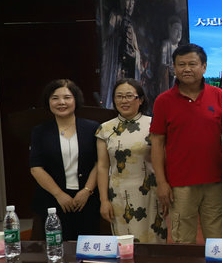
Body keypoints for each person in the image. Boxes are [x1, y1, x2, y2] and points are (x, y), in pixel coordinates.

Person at [150, 43, 222, 244]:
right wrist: (162, 182)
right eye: (181, 64)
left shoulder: (218, 95)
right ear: (174, 68)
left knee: (219, 241)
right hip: (179, 184)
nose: (186, 69)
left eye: (192, 64)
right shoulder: (163, 101)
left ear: (204, 67)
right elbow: (157, 143)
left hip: (215, 181)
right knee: (183, 242)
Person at [29, 79, 100, 240]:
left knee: (87, 247)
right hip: (52, 201)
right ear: (48, 102)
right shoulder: (40, 131)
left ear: (76, 100)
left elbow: (100, 163)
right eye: (55, 98)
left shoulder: (92, 128)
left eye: (67, 97)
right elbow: (36, 168)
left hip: (87, 200)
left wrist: (87, 190)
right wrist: (59, 194)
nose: (61, 102)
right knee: (56, 248)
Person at [95, 79, 165, 242]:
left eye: (129, 96)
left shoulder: (154, 124)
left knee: (153, 242)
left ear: (140, 100)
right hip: (118, 194)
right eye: (119, 96)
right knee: (124, 244)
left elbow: (164, 160)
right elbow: (103, 167)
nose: (124, 101)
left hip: (151, 193)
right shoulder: (105, 129)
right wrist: (104, 200)